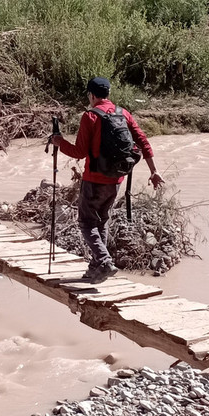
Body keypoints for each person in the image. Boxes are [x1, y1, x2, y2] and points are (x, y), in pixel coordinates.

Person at [51, 77, 165, 283]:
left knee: (86, 223)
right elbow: (143, 141)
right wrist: (154, 171)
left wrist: (59, 142)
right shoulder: (124, 114)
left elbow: (79, 152)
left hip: (94, 179)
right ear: (108, 94)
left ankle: (103, 261)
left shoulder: (90, 117)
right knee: (101, 221)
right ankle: (96, 266)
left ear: (92, 95)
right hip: (116, 179)